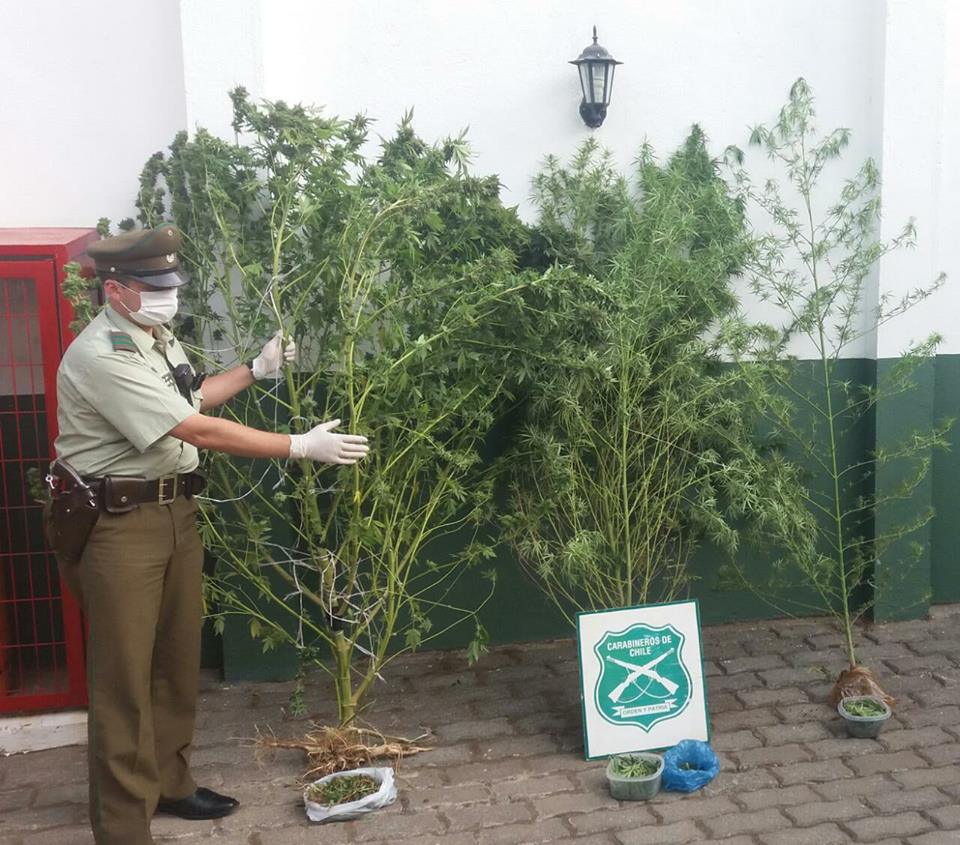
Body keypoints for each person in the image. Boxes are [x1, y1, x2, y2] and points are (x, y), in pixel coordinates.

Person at [49, 225, 369, 845]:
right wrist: (298, 446)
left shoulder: (153, 336)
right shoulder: (102, 355)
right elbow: (195, 429)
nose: (168, 297)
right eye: (153, 288)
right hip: (118, 527)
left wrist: (254, 368)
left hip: (174, 512)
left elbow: (191, 396)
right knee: (124, 679)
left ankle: (169, 783)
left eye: (170, 285)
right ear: (115, 290)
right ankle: (123, 826)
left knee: (175, 663)